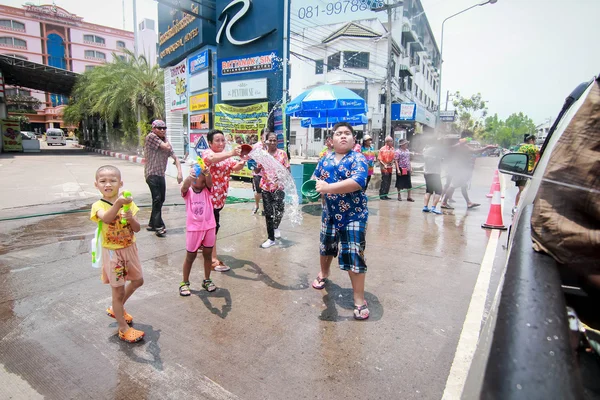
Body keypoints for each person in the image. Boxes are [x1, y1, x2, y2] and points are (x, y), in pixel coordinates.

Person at [312, 122, 370, 320]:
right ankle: (323, 273)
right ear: (332, 139)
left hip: (354, 216)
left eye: (347, 133)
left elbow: (358, 182)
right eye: (339, 133)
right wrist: (315, 188)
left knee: (354, 254)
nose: (343, 136)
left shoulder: (358, 158)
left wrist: (328, 188)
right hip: (329, 213)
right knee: (325, 247)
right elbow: (315, 179)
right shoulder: (325, 159)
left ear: (354, 139)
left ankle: (359, 300)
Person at [90, 165, 145, 343]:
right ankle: (123, 328)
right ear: (96, 184)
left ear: (120, 183)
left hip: (130, 249)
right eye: (103, 181)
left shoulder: (129, 204)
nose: (108, 184)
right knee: (117, 291)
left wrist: (131, 219)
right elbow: (106, 218)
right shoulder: (97, 205)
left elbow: (137, 229)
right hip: (113, 253)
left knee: (138, 281)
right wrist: (119, 204)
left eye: (113, 180)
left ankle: (117, 309)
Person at [202, 130, 247, 271]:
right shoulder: (207, 153)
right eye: (217, 140)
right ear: (210, 143)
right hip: (207, 198)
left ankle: (202, 246)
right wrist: (232, 153)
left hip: (219, 198)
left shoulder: (226, 157)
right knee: (213, 228)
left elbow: (235, 168)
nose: (221, 143)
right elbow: (212, 159)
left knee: (210, 227)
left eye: (223, 140)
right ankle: (212, 259)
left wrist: (243, 161)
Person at [178, 161, 218, 296]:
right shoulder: (188, 191)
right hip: (193, 228)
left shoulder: (207, 190)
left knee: (207, 254)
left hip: (209, 226)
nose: (197, 178)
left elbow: (210, 183)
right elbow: (184, 187)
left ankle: (207, 280)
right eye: (194, 176)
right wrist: (189, 178)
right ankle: (184, 282)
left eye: (200, 176)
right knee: (191, 256)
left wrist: (207, 173)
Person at [144, 120, 183, 237]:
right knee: (157, 198)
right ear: (153, 129)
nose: (162, 130)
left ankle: (152, 224)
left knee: (160, 199)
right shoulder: (151, 137)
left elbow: (175, 158)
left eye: (164, 128)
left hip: (160, 174)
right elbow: (166, 146)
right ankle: (159, 226)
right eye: (159, 128)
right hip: (151, 174)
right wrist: (165, 139)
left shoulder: (164, 141)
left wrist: (179, 173)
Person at [441, 138, 497, 209]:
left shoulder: (457, 146)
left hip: (457, 168)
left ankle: (468, 202)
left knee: (463, 186)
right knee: (453, 185)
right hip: (459, 169)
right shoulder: (462, 147)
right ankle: (444, 202)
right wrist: (487, 147)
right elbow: (476, 151)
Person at [258, 132, 290, 248]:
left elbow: (288, 171)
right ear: (266, 141)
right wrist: (257, 166)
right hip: (266, 187)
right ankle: (270, 238)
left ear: (277, 141)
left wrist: (281, 177)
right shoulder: (263, 155)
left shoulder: (282, 154)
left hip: (279, 187)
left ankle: (276, 226)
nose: (272, 142)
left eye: (274, 140)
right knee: (268, 213)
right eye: (270, 140)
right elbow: (257, 171)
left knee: (280, 210)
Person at [512, 134, 539, 210]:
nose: (535, 142)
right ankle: (523, 208)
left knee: (520, 191)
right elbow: (540, 154)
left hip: (518, 171)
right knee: (526, 191)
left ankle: (516, 207)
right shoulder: (532, 147)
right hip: (527, 171)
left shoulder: (520, 147)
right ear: (531, 140)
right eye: (534, 141)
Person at [422, 141, 444, 214]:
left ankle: (425, 207)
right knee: (439, 191)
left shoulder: (426, 150)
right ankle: (433, 207)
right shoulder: (437, 151)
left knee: (428, 190)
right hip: (435, 173)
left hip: (426, 173)